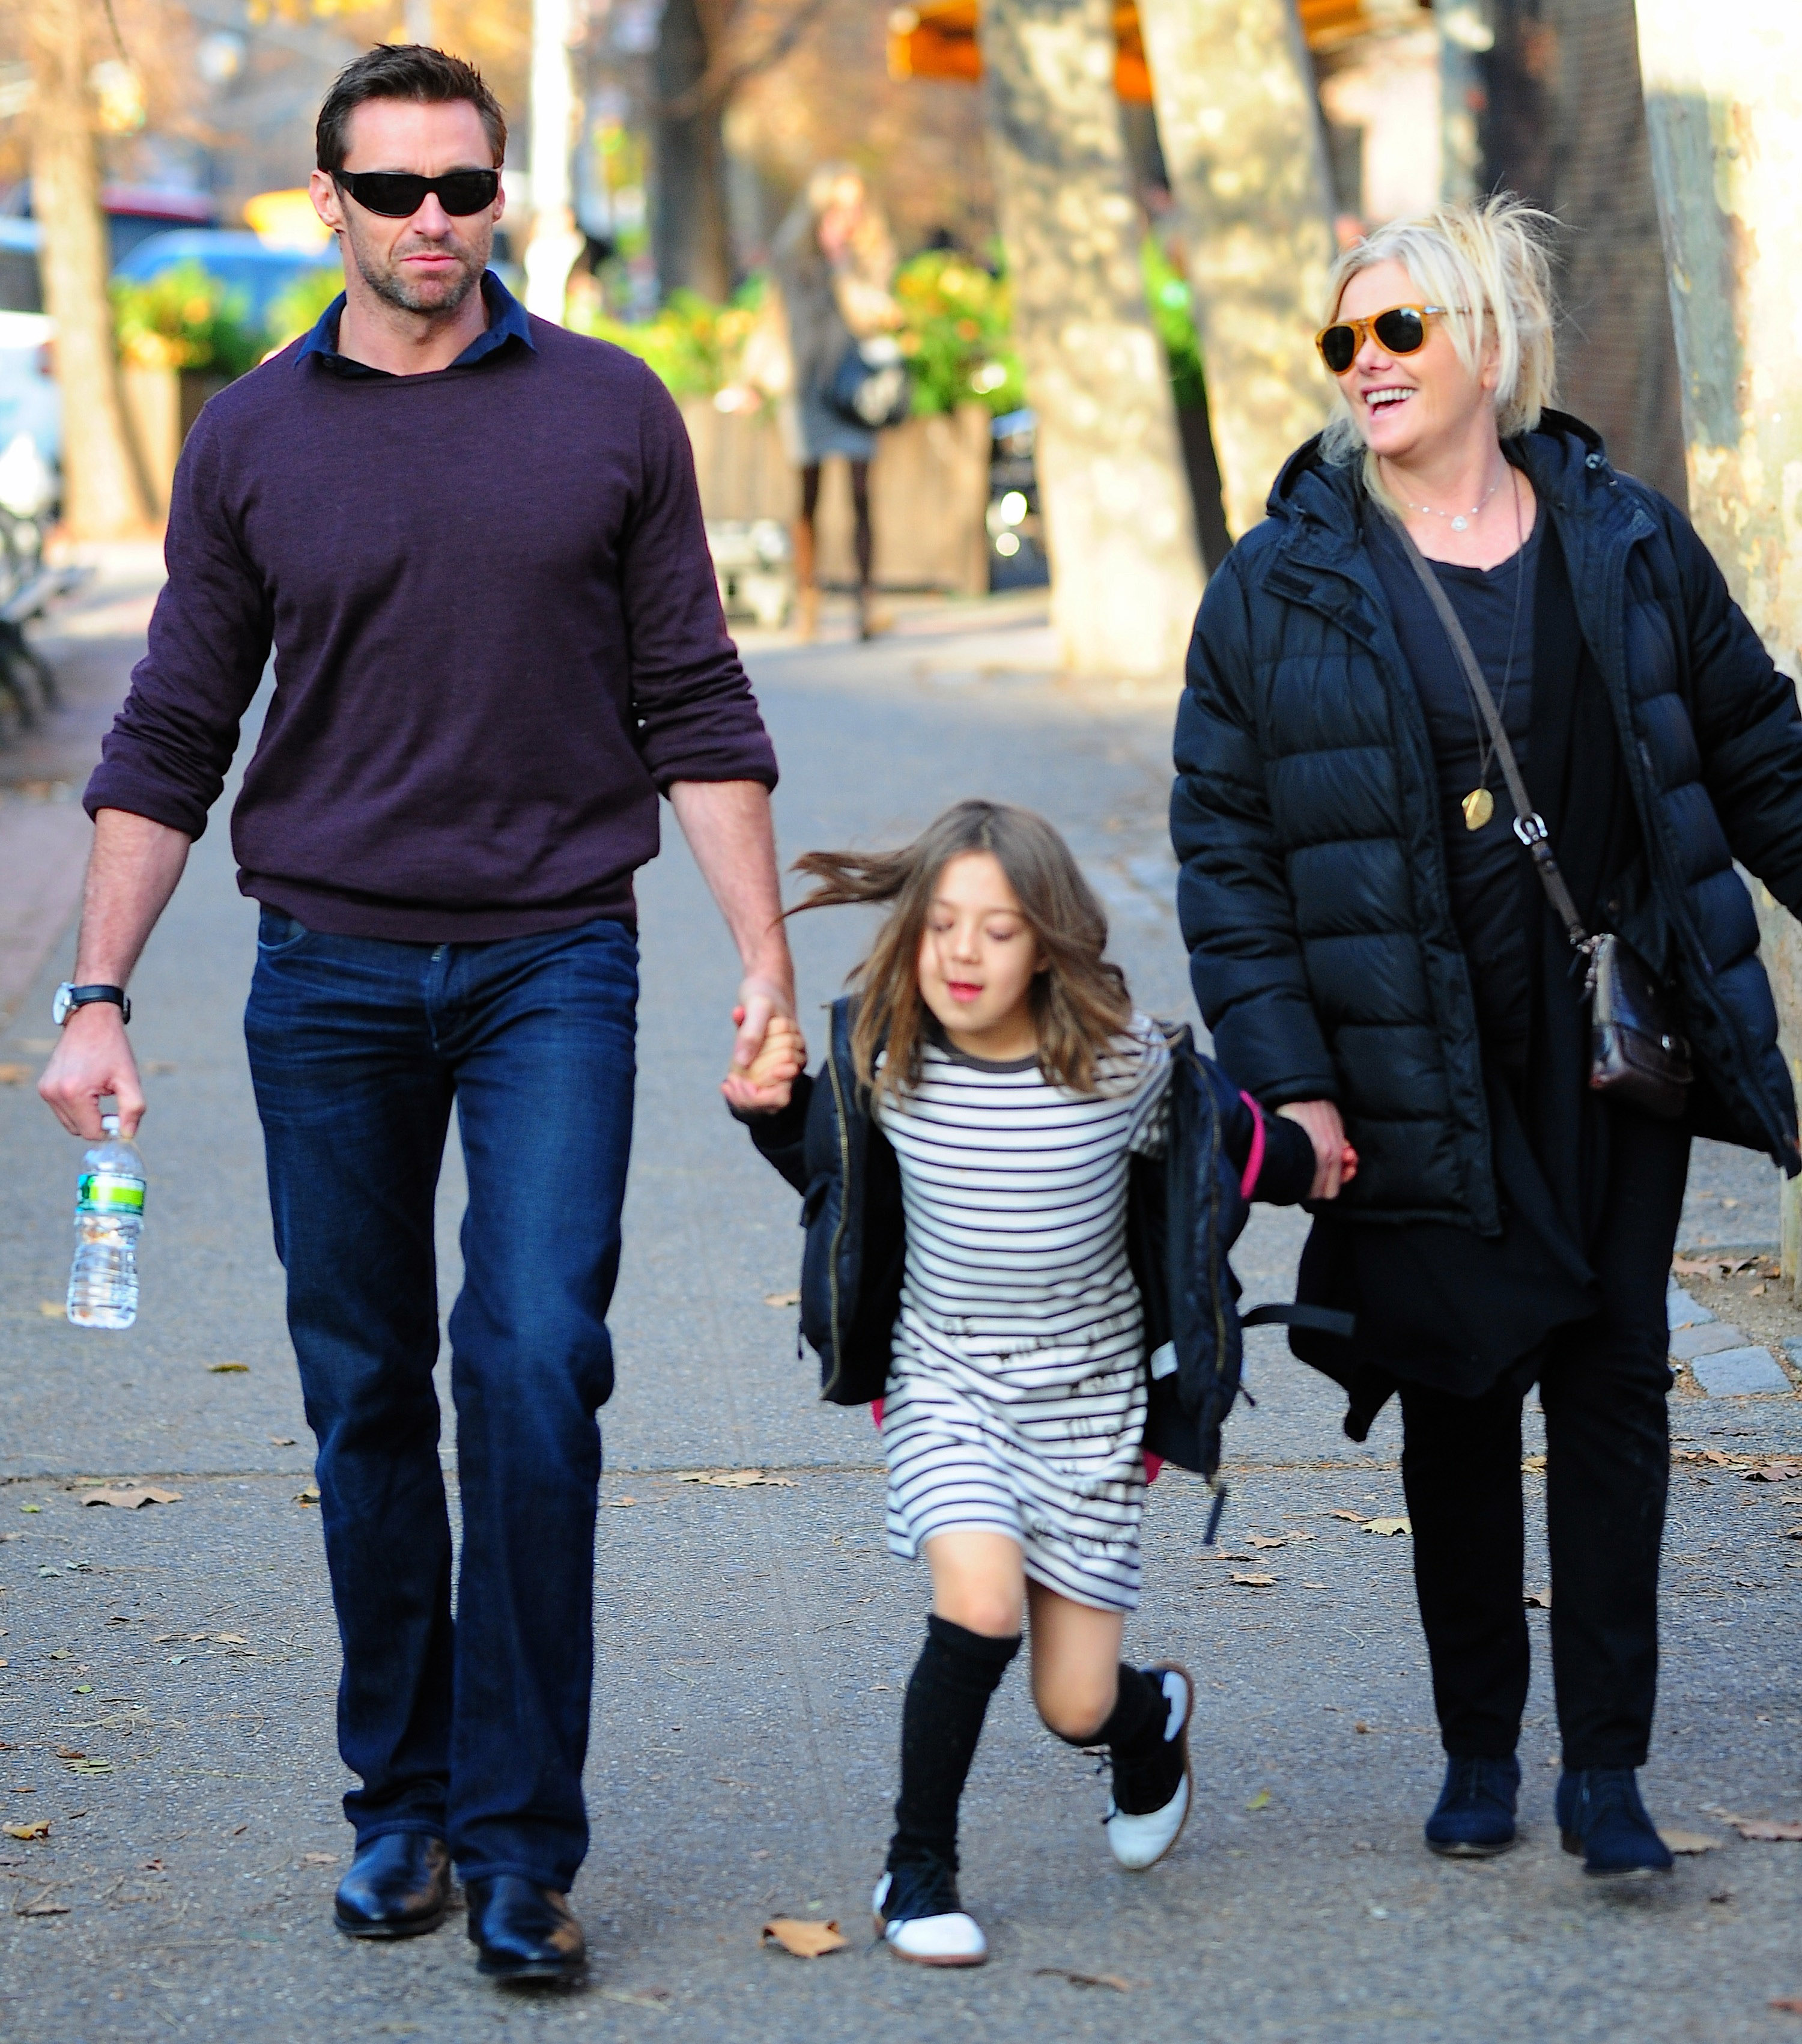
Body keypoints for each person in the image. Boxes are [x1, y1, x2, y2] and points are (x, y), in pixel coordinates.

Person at [37, 43, 796, 1984]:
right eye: (395, 193)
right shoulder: (251, 437)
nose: (435, 223)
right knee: (366, 1387)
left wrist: (766, 961)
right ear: (332, 208)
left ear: (503, 199)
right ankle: (405, 1803)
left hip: (559, 956)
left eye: (467, 188)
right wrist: (97, 991)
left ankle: (526, 1838)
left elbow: (696, 702)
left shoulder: (616, 413)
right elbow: (175, 729)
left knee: (536, 1361)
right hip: (329, 977)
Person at [1171, 195, 1802, 1879]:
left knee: (1609, 1379)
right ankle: (1476, 1742)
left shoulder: (1623, 537)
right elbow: (1227, 856)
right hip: (1398, 1050)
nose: (1365, 363)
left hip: (1607, 1037)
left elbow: (1757, 755)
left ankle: (1607, 1768)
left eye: (1400, 332)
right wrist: (1288, 1074)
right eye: (1345, 338)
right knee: (1456, 1387)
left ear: (1488, 346)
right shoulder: (1283, 580)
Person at [730, 800, 1320, 1964]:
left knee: (1076, 1707)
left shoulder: (1126, 1066)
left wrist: (1326, 1152)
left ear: (1050, 941)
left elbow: (1236, 1151)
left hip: (1092, 1408)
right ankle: (918, 1874)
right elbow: (822, 1166)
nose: (962, 952)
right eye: (942, 923)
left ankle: (1150, 1720)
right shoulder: (883, 1057)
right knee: (980, 1604)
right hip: (946, 1385)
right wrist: (769, 1109)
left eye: (997, 931)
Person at [766, 165, 900, 642]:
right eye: (840, 207)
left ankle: (867, 605)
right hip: (806, 388)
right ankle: (808, 603)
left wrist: (844, 267)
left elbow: (878, 316)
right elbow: (777, 315)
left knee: (863, 495)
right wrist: (754, 376)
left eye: (857, 206)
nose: (850, 217)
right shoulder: (792, 256)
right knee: (808, 497)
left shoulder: (869, 255)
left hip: (856, 388)